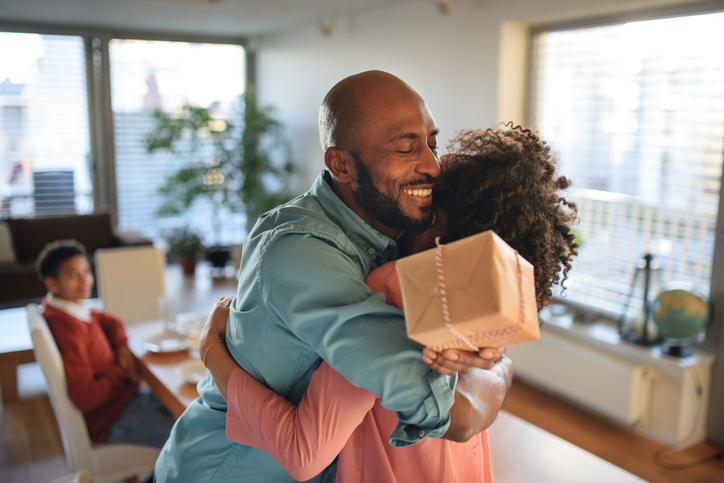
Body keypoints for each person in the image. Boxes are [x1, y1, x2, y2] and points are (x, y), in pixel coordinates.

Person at [155, 71, 509, 482]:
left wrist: (496, 364)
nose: (432, 165)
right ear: (341, 164)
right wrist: (496, 369)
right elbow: (452, 411)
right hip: (227, 470)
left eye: (432, 142)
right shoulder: (300, 249)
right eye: (406, 147)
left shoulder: (397, 234)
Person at [200, 125, 579, 482]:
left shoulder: (393, 288)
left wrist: (211, 351)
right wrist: (498, 368)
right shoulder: (472, 304)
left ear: (437, 222)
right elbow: (471, 406)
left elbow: (305, 451)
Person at [36, 239, 175, 447]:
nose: (85, 280)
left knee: (192, 414)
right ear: (52, 284)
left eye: (87, 271)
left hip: (126, 401)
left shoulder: (67, 308)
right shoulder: (67, 327)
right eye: (73, 274)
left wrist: (121, 346)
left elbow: (109, 320)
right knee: (195, 442)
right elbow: (84, 397)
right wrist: (122, 370)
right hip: (113, 418)